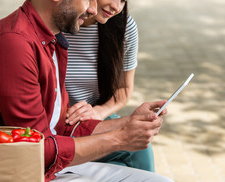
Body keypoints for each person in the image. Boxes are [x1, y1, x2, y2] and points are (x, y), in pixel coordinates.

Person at [0, 0, 181, 182]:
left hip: (49, 169)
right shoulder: (14, 43)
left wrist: (128, 122)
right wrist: (120, 138)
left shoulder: (51, 39)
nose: (92, 10)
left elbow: (59, 127)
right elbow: (35, 152)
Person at [64, 0, 156, 171]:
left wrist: (98, 112)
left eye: (123, 0)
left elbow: (124, 89)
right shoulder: (57, 21)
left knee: (139, 146)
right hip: (54, 119)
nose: (116, 7)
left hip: (92, 116)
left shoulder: (123, 27)